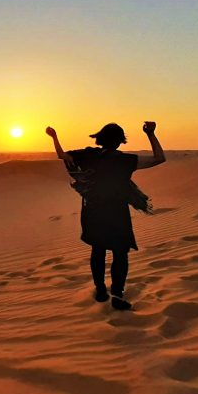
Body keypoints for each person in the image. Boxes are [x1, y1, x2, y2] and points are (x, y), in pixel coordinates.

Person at [46, 121, 165, 310]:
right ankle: (117, 294)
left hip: (93, 211)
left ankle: (101, 291)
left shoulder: (87, 156)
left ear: (99, 138)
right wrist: (151, 134)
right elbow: (159, 158)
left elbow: (62, 156)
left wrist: (54, 137)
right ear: (120, 141)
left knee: (98, 250)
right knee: (120, 253)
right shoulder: (124, 161)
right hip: (116, 212)